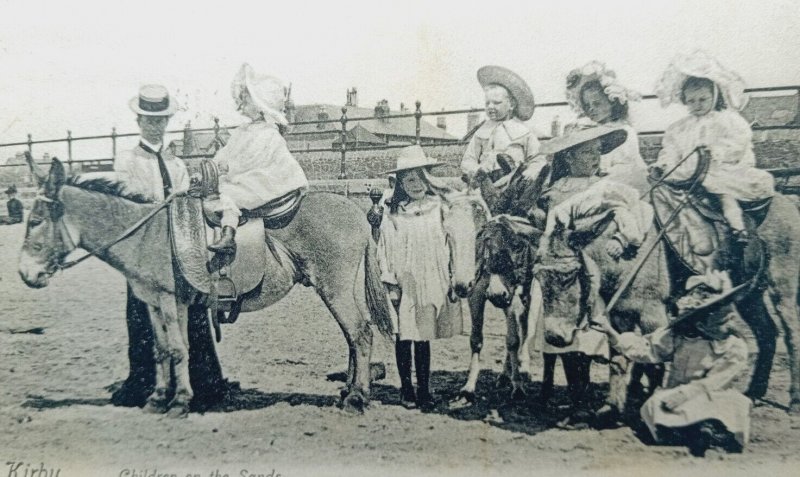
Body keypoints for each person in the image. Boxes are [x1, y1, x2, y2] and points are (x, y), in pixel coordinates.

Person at [112, 84, 225, 408]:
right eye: (148, 119)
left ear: (166, 122)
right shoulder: (127, 160)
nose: (154, 125)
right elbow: (127, 203)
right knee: (142, 316)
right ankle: (144, 383)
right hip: (143, 251)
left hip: (177, 250)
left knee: (192, 312)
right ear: (138, 121)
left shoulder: (175, 165)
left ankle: (203, 384)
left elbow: (186, 203)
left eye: (160, 120)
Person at [592, 270, 751, 456]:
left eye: (731, 316)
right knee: (654, 405)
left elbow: (715, 381)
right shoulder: (679, 337)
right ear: (701, 323)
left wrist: (685, 394)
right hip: (675, 396)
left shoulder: (735, 346)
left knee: (734, 403)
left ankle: (710, 433)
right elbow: (647, 349)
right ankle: (688, 433)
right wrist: (611, 332)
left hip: (710, 394)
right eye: (721, 319)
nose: (730, 322)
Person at [650, 50, 774, 243]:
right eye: (691, 101)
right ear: (684, 100)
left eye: (702, 99)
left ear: (714, 96)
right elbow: (670, 150)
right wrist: (664, 163)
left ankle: (737, 228)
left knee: (725, 195)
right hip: (686, 173)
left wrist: (718, 151)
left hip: (719, 171)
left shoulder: (727, 120)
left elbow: (738, 142)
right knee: (663, 195)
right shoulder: (679, 128)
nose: (697, 105)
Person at [377, 145, 462, 410]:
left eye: (420, 177)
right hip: (405, 281)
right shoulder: (394, 213)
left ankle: (424, 389)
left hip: (431, 279)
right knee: (404, 335)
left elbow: (452, 242)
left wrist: (451, 274)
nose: (415, 184)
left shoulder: (439, 208)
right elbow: (385, 249)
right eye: (409, 179)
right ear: (400, 182)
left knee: (424, 335)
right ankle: (406, 389)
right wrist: (391, 283)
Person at [204, 63, 309, 253]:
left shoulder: (267, 134)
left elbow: (248, 161)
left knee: (229, 194)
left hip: (270, 179)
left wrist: (226, 169)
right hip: (252, 175)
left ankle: (228, 235)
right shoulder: (244, 131)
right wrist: (214, 164)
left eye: (247, 99)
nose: (241, 103)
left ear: (260, 106)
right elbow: (227, 153)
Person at [564, 61, 647, 180]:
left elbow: (628, 167)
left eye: (597, 104)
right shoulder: (590, 129)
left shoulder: (624, 130)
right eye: (587, 105)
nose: (591, 109)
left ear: (612, 103)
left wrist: (603, 173)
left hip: (621, 180)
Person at [460, 65, 542, 187]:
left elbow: (538, 159)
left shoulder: (524, 132)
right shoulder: (482, 132)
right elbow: (468, 159)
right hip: (485, 182)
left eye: (497, 103)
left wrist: (530, 172)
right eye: (487, 103)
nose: (490, 107)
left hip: (513, 182)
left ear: (512, 105)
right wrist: (477, 170)